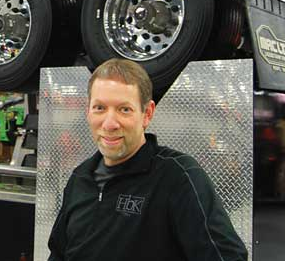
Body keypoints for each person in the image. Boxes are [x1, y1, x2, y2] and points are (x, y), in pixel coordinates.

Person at [47, 59, 248, 261]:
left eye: (124, 109)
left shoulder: (177, 177)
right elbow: (58, 253)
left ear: (147, 114)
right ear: (88, 112)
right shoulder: (79, 177)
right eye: (99, 108)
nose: (109, 124)